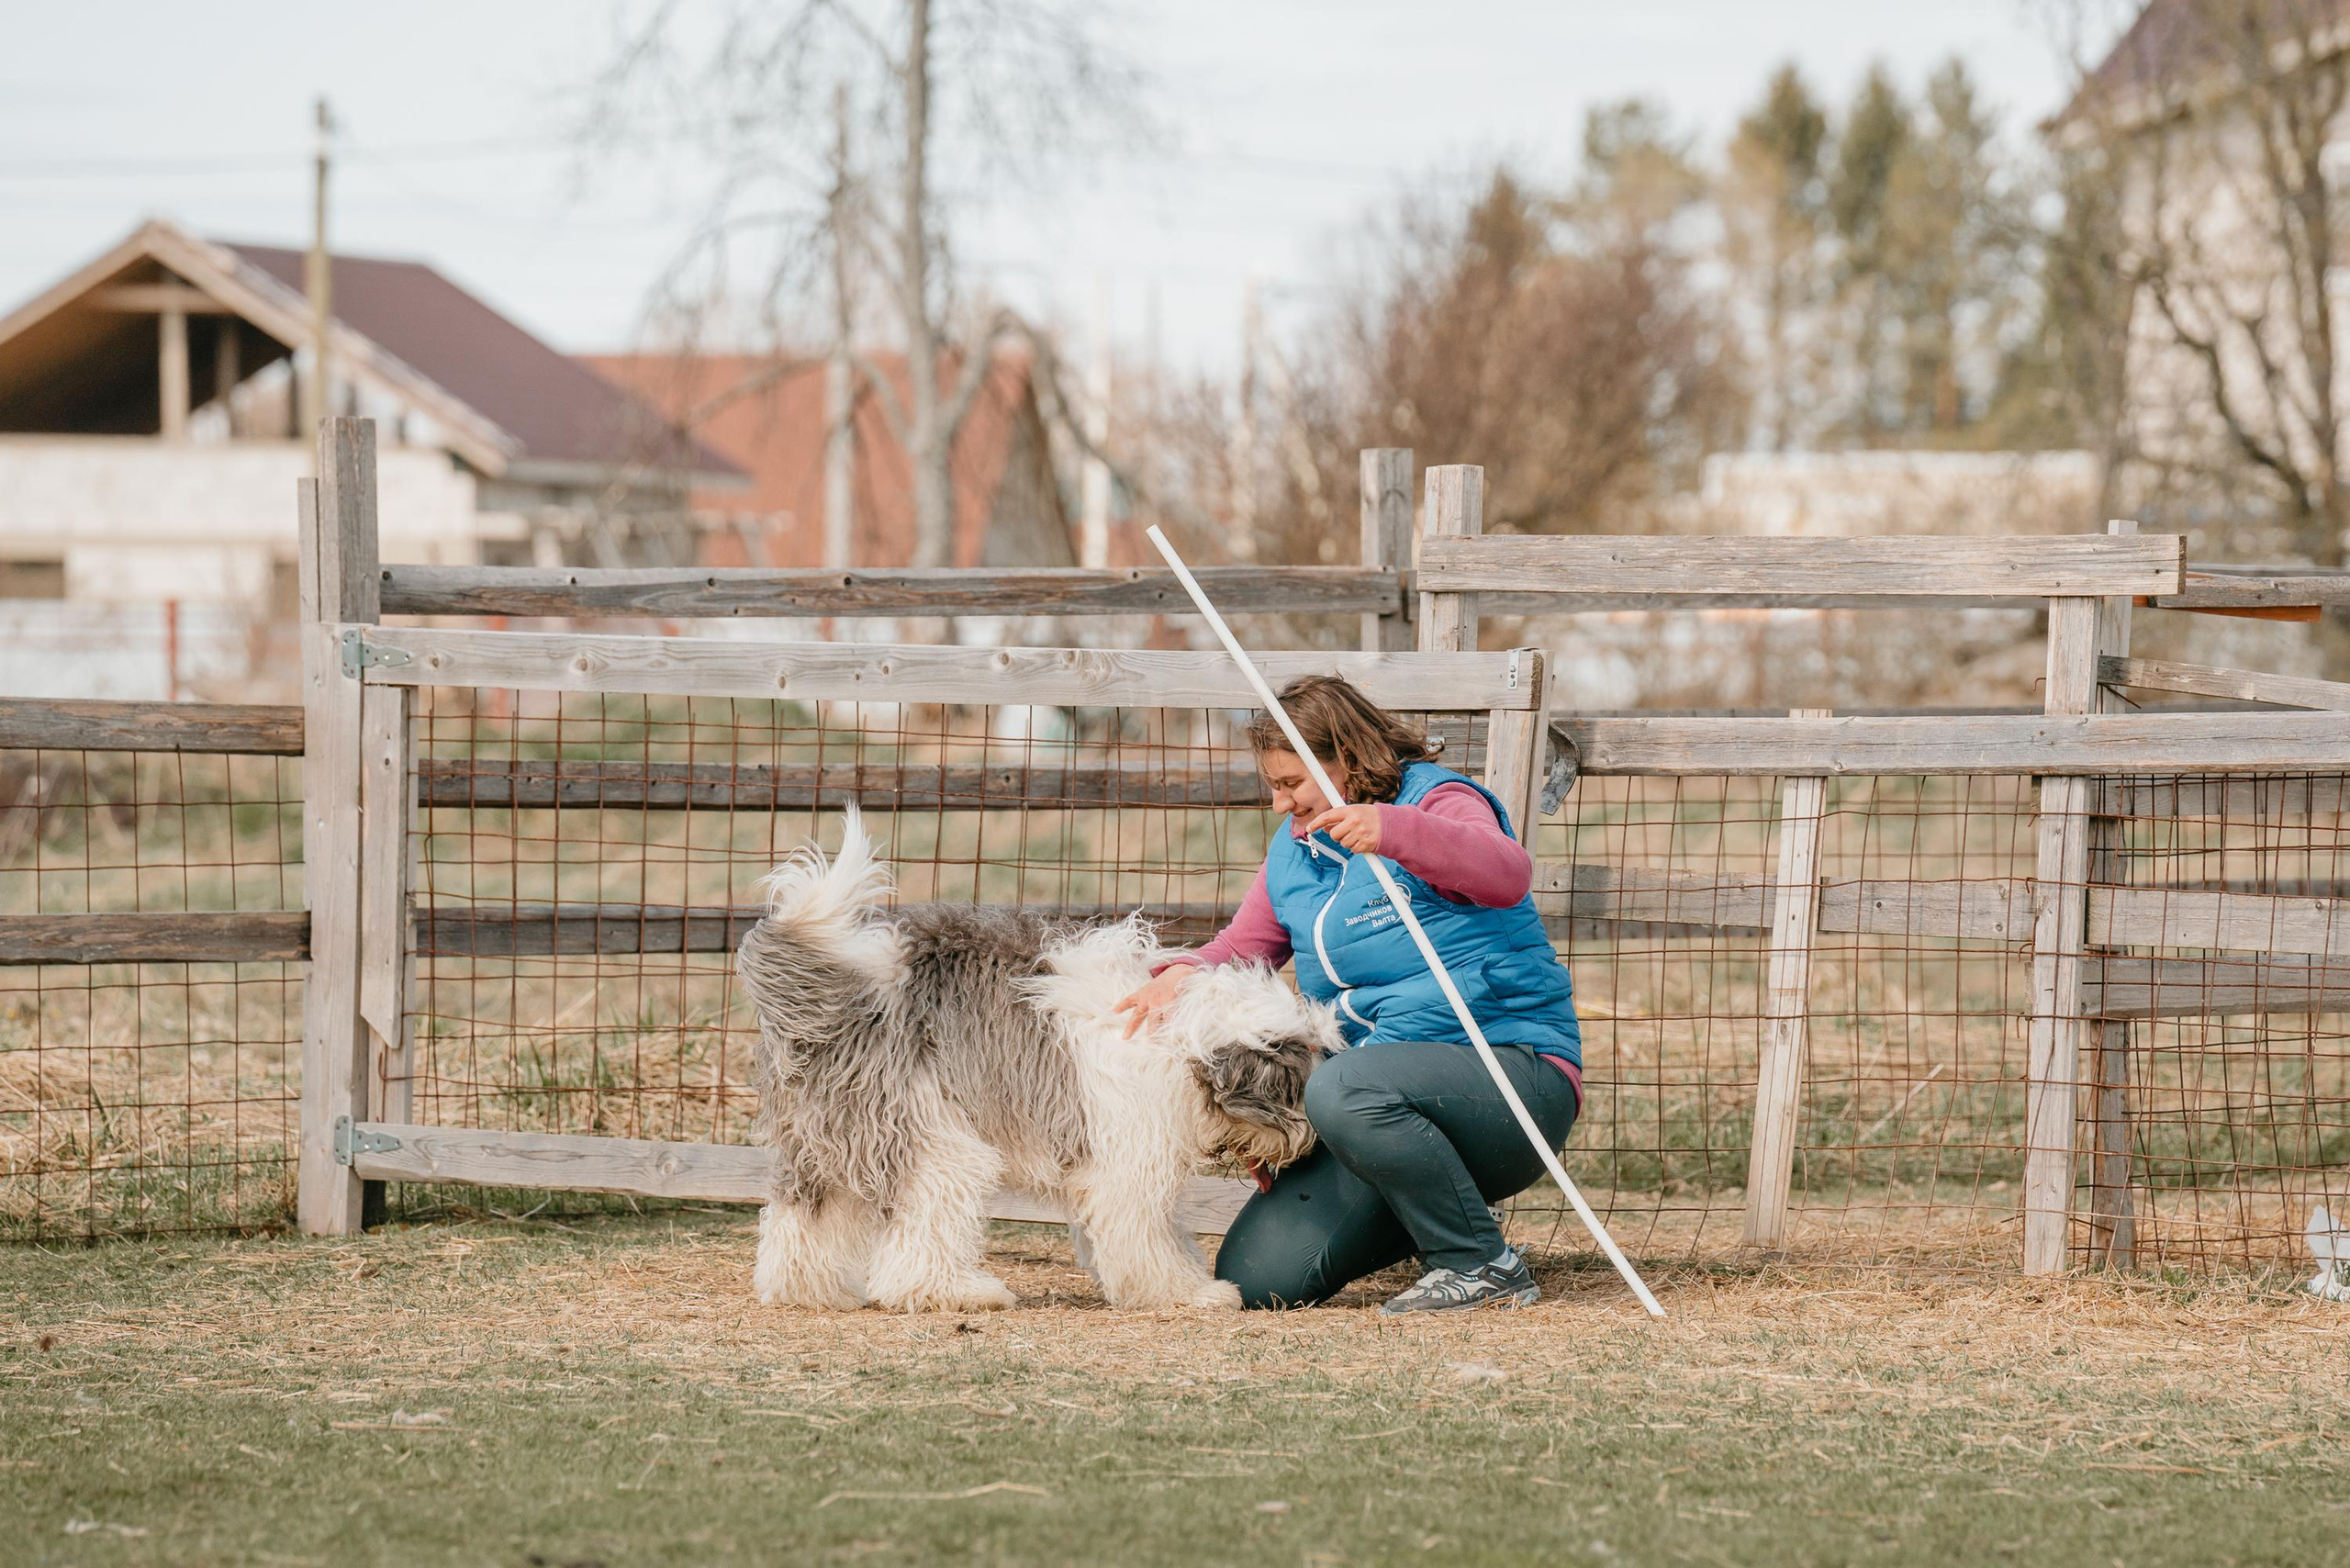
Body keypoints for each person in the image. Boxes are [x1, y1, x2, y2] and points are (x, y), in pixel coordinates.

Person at [1113, 675, 1581, 1313]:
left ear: (1348, 759)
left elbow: (1507, 873)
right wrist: (1183, 971)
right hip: (1374, 1095)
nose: (1278, 803)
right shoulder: (1294, 850)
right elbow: (1246, 945)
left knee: (1340, 1086)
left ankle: (1476, 1263)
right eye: (1272, 785)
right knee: (1259, 1278)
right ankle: (1434, 1210)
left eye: (1290, 783)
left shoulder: (1438, 799)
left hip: (1510, 1075)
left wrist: (1394, 830)